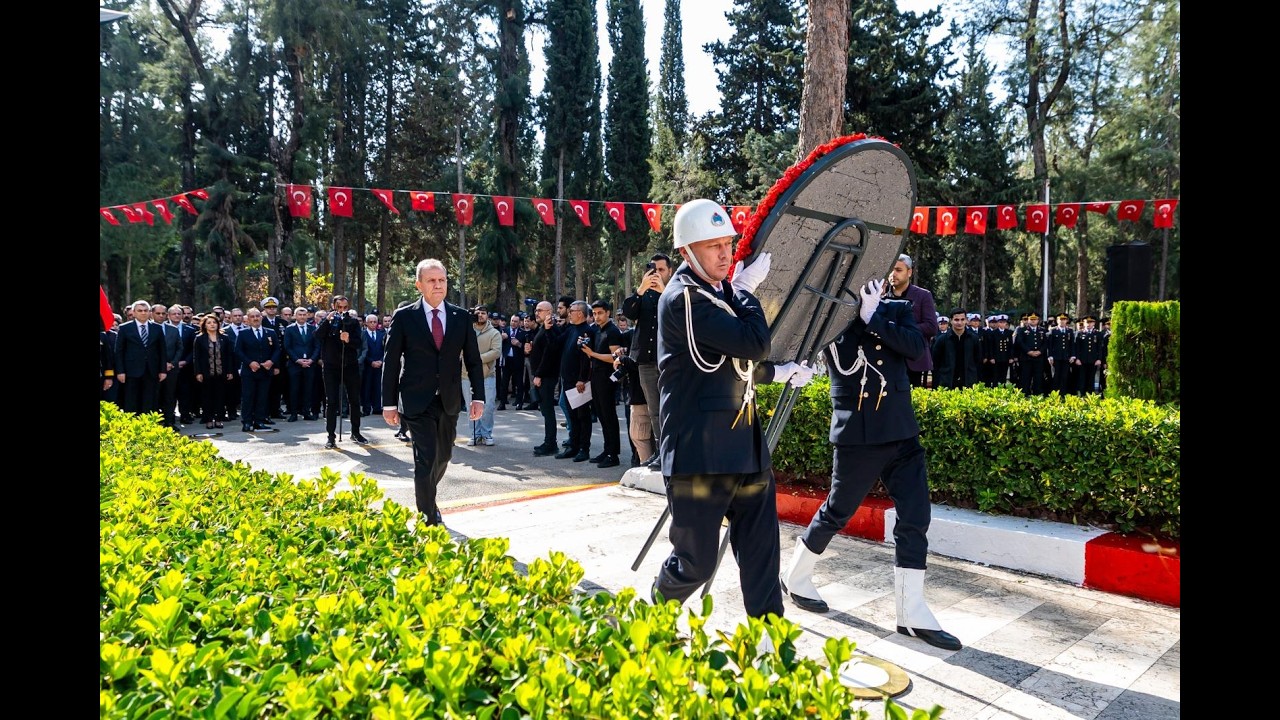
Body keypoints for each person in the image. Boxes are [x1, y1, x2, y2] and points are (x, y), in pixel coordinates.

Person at [651, 198, 816, 620]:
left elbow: (730, 366)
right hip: (699, 456)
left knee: (762, 553)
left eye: (728, 243)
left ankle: (770, 640)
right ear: (687, 251)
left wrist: (779, 374)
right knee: (696, 561)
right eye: (712, 246)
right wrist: (745, 293)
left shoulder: (716, 292)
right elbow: (751, 343)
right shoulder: (684, 298)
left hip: (744, 447)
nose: (725, 254)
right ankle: (657, 613)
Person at [780, 277, 963, 651]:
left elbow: (916, 350)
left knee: (916, 516)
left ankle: (910, 612)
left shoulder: (894, 310)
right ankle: (795, 577)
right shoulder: (828, 319)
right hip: (859, 435)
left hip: (900, 431)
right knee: (837, 511)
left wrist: (874, 316)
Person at [381, 259, 485, 526]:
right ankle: (427, 516)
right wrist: (389, 403)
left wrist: (477, 396)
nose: (438, 285)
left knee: (444, 455)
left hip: (448, 399)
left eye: (442, 280)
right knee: (426, 457)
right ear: (419, 285)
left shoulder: (461, 317)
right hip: (416, 399)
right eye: (431, 280)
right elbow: (391, 361)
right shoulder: (405, 317)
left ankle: (429, 498)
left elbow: (473, 360)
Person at [622, 253, 674, 469]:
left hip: (669, 359)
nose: (657, 274)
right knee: (654, 409)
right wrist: (641, 290)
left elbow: (679, 314)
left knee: (669, 408)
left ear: (670, 271)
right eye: (653, 270)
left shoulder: (674, 293)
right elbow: (628, 312)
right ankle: (660, 453)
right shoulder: (642, 294)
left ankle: (671, 453)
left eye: (661, 270)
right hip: (645, 359)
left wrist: (664, 293)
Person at [315, 295, 367, 448]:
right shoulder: (327, 321)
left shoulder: (352, 322)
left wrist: (349, 339)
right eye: (339, 307)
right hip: (331, 366)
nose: (342, 310)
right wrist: (327, 321)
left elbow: (358, 343)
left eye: (345, 307)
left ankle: (355, 432)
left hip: (350, 365)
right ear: (333, 306)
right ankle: (331, 435)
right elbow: (317, 336)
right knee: (331, 401)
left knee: (354, 400)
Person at [582, 299, 624, 468]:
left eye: (600, 313)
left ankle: (613, 454)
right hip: (596, 376)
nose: (597, 317)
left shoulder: (612, 331)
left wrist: (592, 354)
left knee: (609, 416)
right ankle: (607, 450)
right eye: (594, 313)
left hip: (607, 377)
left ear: (608, 313)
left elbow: (615, 357)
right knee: (601, 415)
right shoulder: (597, 330)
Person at [885, 254, 938, 387]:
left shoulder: (922, 295)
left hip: (913, 359)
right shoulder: (880, 295)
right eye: (891, 269)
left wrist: (901, 330)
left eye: (898, 270)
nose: (893, 274)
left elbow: (931, 327)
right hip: (886, 359)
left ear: (909, 272)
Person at [554, 301, 596, 461]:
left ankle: (584, 449)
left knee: (582, 416)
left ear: (580, 313)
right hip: (568, 379)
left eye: (572, 310)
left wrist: (582, 379)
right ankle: (574, 446)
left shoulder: (586, 331)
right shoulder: (571, 329)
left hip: (579, 382)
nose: (569, 313)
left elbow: (586, 358)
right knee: (572, 416)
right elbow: (557, 342)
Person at [115, 300, 167, 415]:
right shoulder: (124, 328)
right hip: (131, 371)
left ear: (149, 312)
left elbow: (162, 351)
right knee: (131, 401)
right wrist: (120, 371)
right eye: (140, 311)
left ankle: (148, 427)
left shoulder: (157, 328)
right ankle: (132, 428)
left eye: (145, 311)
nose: (143, 313)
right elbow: (119, 351)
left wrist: (163, 370)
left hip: (151, 370)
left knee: (150, 401)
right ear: (133, 312)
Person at [233, 308, 280, 431]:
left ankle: (259, 420)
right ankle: (247, 422)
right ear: (248, 319)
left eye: (257, 316)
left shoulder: (270, 332)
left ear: (261, 317)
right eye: (252, 316)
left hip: (265, 371)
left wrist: (271, 361)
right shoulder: (243, 333)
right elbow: (238, 351)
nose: (255, 318)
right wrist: (250, 362)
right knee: (248, 397)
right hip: (249, 372)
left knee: (262, 397)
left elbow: (277, 349)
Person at [528, 300, 563, 456]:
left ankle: (551, 443)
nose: (537, 313)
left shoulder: (552, 329)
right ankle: (549, 441)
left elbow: (550, 355)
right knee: (544, 410)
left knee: (548, 411)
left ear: (549, 312)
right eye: (536, 310)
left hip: (546, 376)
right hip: (542, 376)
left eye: (540, 310)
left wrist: (539, 374)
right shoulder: (543, 328)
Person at [464, 306, 501, 446]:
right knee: (470, 406)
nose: (480, 315)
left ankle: (486, 434)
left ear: (487, 316)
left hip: (487, 375)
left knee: (488, 406)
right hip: (466, 375)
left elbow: (496, 352)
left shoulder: (494, 333)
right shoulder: (466, 330)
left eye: (483, 313)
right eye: (477, 313)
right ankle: (474, 434)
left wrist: (476, 359)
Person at [193, 313, 234, 429]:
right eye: (209, 323)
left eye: (214, 322)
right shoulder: (200, 338)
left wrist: (230, 371)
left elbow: (229, 355)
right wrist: (198, 372)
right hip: (206, 372)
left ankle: (219, 418)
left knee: (220, 396)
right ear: (204, 325)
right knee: (207, 396)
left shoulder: (224, 338)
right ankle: (208, 418)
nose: (212, 325)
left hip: (222, 372)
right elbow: (196, 357)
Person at [283, 307, 318, 421]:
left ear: (307, 316)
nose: (302, 317)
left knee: (308, 389)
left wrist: (312, 360)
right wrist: (297, 360)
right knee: (294, 389)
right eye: (300, 314)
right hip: (295, 364)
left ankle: (306, 412)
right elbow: (287, 347)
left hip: (310, 364)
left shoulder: (313, 329)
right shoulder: (289, 329)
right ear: (295, 316)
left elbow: (317, 346)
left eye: (304, 315)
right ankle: (294, 413)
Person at [932, 307, 981, 389]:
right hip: (947, 382)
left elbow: (977, 360)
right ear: (951, 321)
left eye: (962, 319)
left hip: (968, 382)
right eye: (956, 320)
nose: (960, 322)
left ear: (966, 320)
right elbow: (936, 363)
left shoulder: (974, 339)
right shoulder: (941, 340)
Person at [360, 314, 386, 417]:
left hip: (379, 365)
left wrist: (381, 361)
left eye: (375, 322)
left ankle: (377, 407)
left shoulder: (382, 334)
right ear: (366, 323)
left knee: (378, 386)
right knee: (366, 387)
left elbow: (385, 349)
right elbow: (362, 350)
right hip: (367, 365)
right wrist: (371, 362)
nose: (373, 324)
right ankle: (366, 408)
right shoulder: (363, 334)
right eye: (370, 322)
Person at [1046, 312, 1076, 395]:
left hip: (1066, 357)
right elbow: (1050, 345)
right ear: (1057, 320)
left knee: (1065, 376)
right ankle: (1055, 394)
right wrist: (1050, 356)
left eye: (1064, 320)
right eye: (1060, 319)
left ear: (1066, 321)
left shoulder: (1070, 331)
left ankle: (1063, 393)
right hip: (1056, 357)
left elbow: (1072, 344)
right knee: (1056, 375)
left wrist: (1073, 355)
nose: (1062, 321)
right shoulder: (1053, 330)